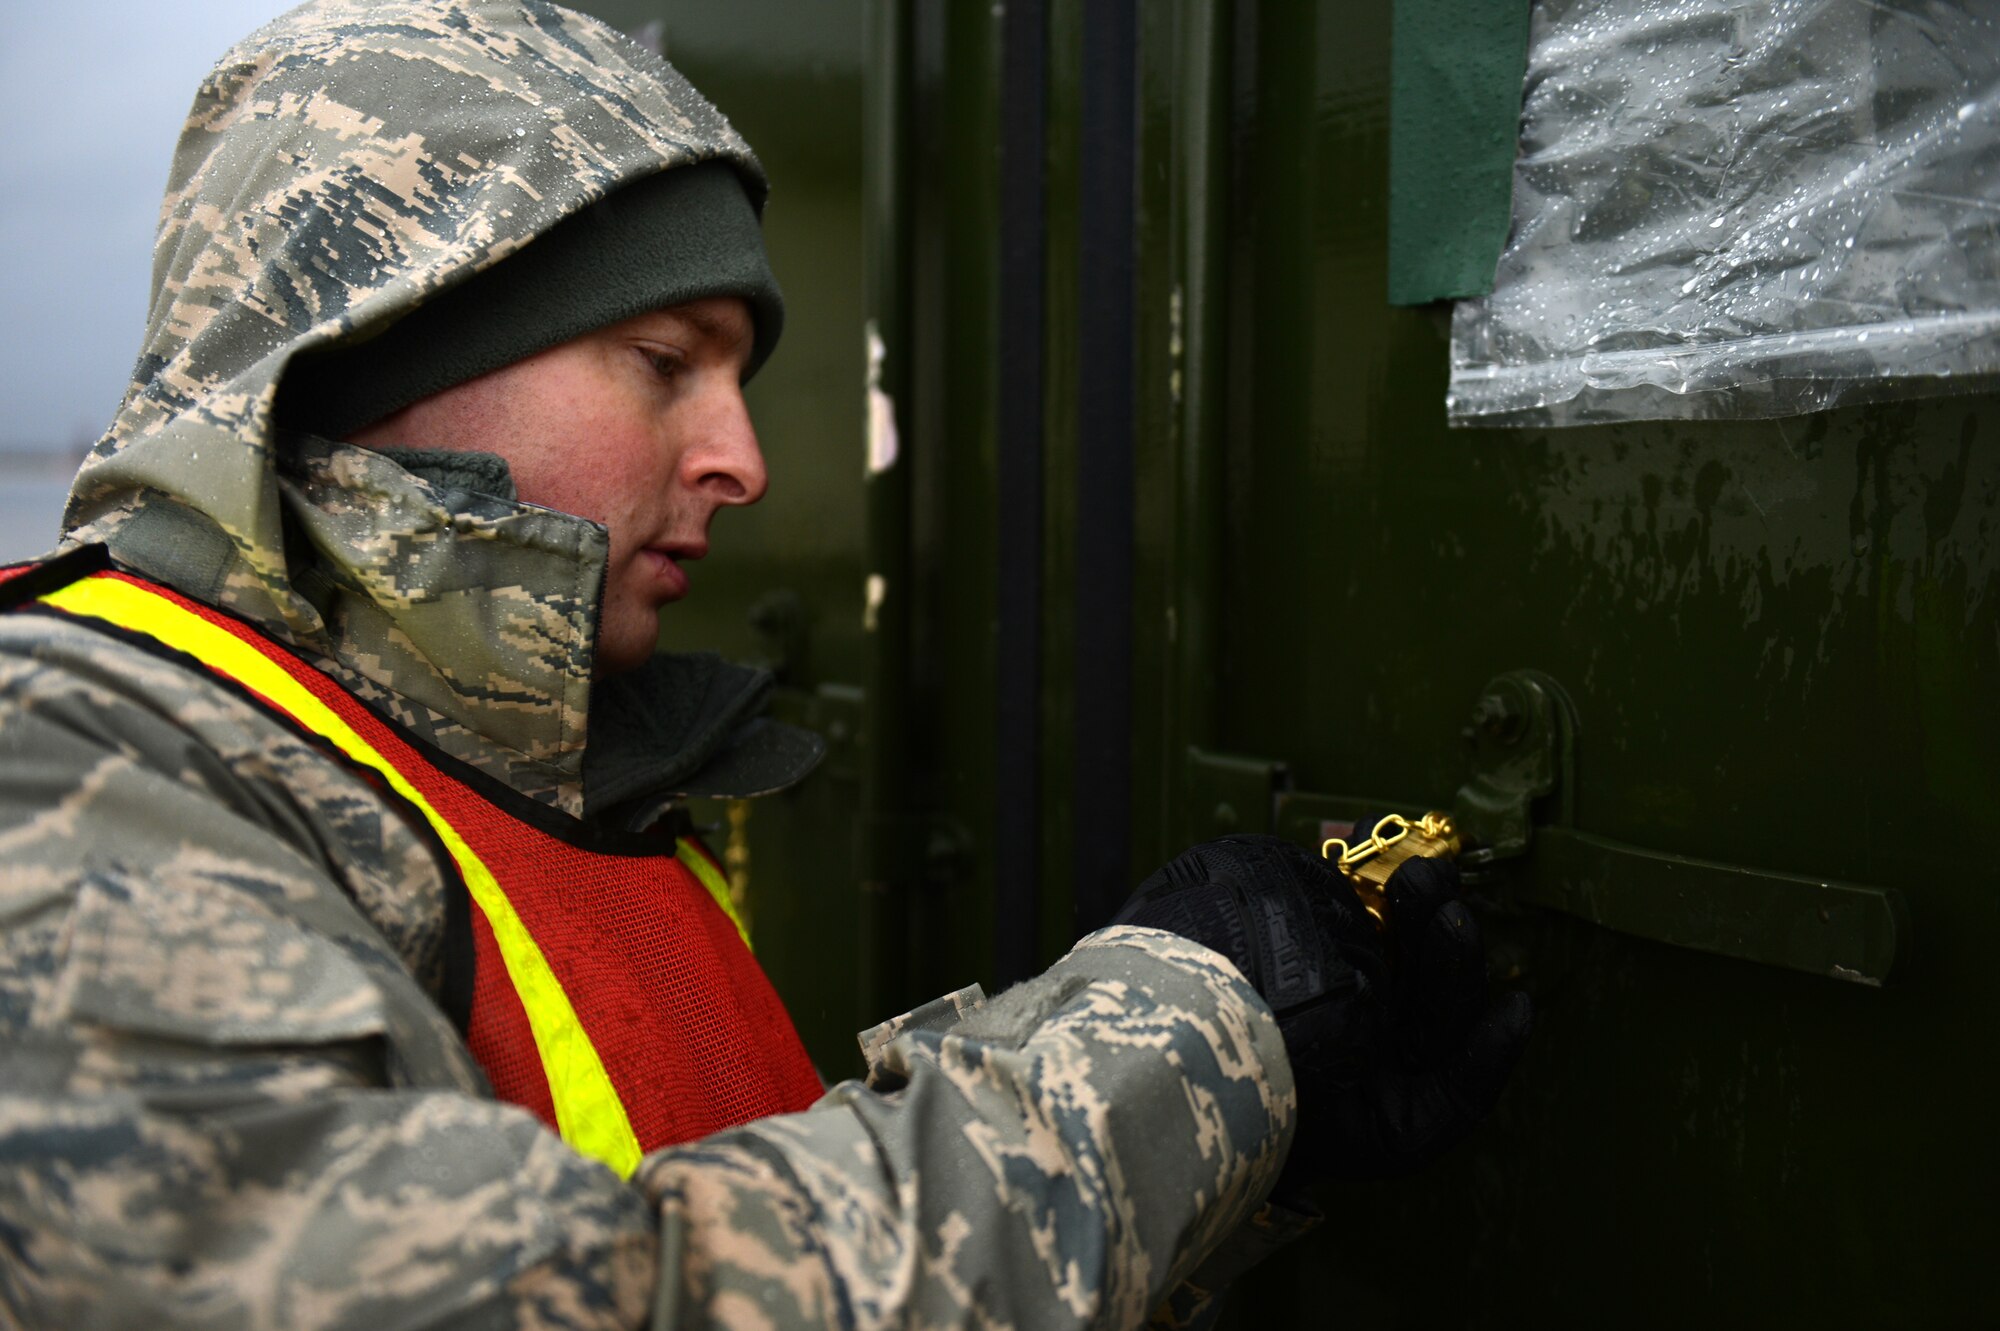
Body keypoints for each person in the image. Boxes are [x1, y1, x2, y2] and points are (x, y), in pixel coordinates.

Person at [0, 2, 1528, 1327]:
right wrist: (1181, 1047)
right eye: (667, 364)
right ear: (384, 348)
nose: (742, 461)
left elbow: (707, 1178)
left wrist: (1259, 1137)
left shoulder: (544, 773)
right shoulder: (64, 767)